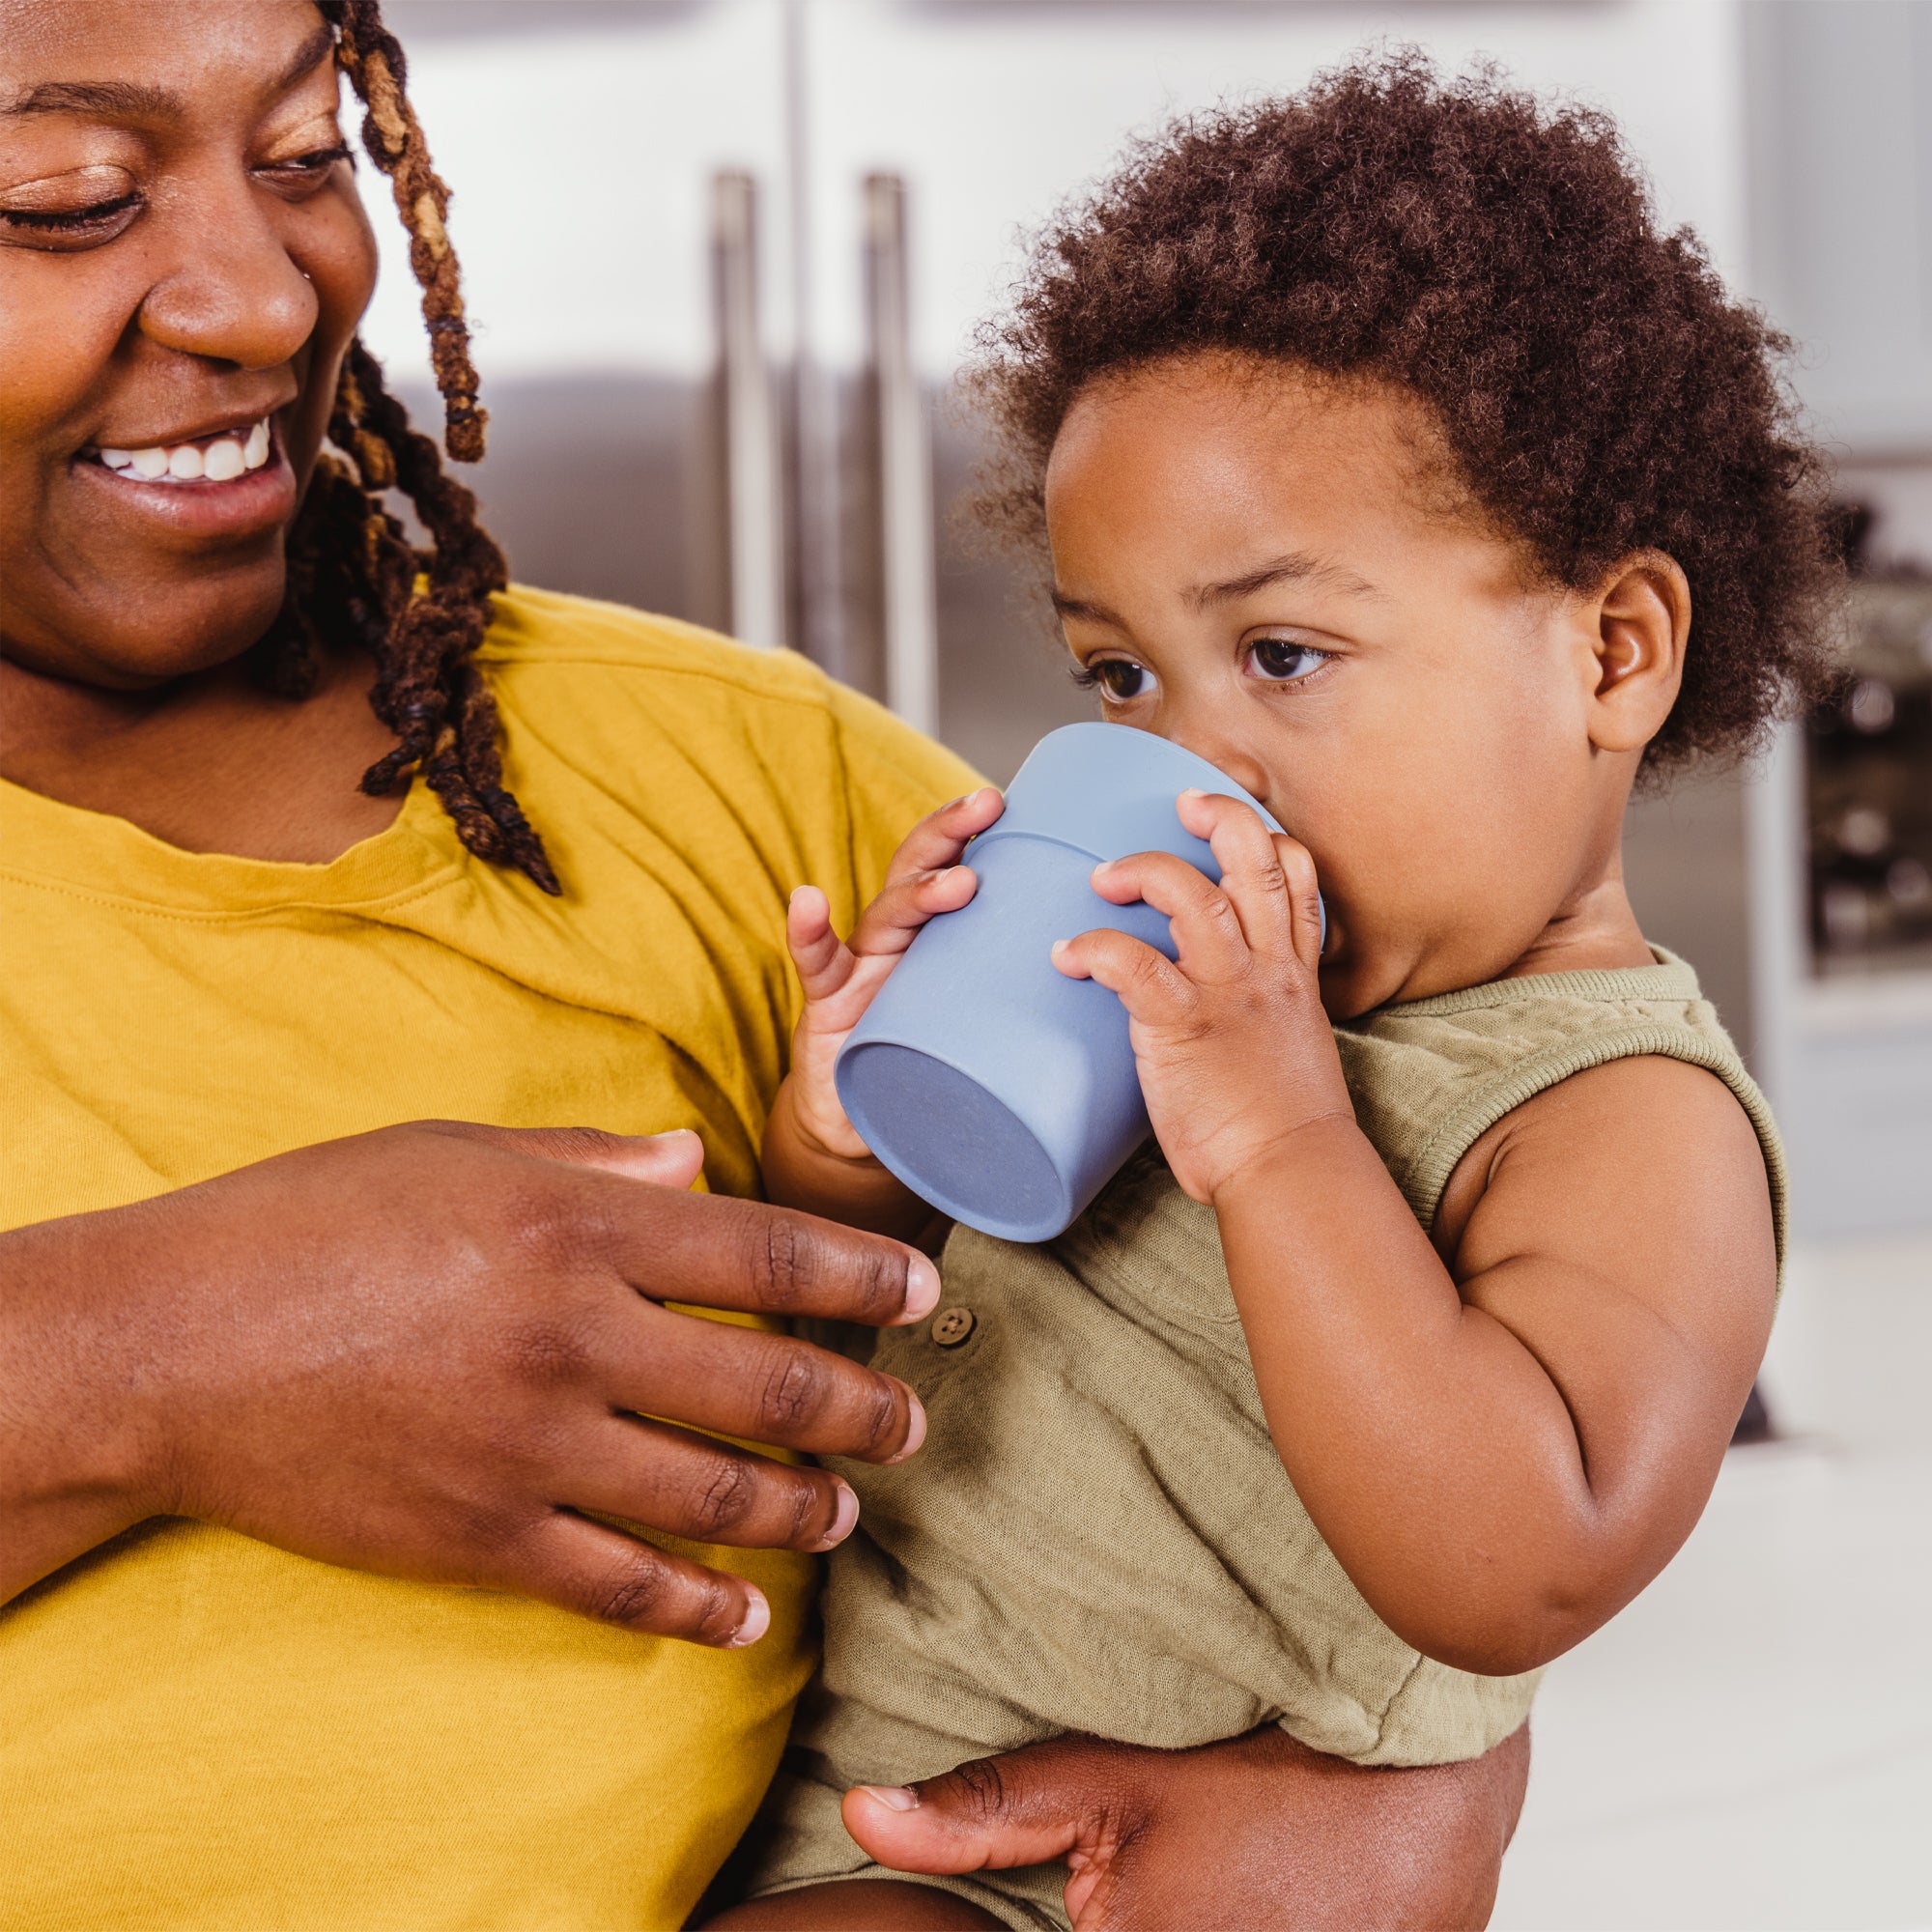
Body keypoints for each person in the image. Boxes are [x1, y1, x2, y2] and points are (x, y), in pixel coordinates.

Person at [0, 5, 1531, 1926]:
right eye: (64, 199)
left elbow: (1381, 1335)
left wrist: (1399, 1792)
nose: (256, 296)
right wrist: (162, 1351)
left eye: (309, 155)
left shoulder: (741, 786)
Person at [724, 57, 1833, 1932]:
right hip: (840, 1770)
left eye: (1285, 651)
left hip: (1098, 1869)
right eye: (1122, 681)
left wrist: (1282, 1135)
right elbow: (921, 1296)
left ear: (1613, 650)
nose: (1197, 756)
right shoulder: (1191, 1002)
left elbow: (1521, 1560)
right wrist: (843, 1138)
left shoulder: (1617, 1113)